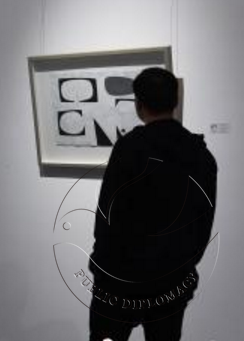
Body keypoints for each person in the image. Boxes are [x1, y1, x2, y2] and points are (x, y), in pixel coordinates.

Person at [88, 68, 217, 341]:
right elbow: (203, 225)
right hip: (171, 281)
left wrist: (102, 269)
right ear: (175, 101)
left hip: (120, 282)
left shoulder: (129, 149)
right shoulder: (201, 156)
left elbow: (107, 217)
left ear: (139, 104)